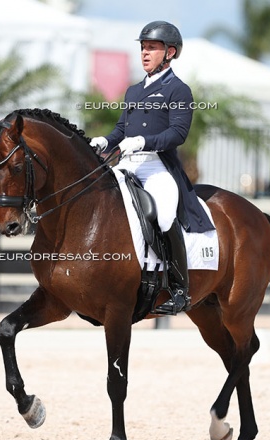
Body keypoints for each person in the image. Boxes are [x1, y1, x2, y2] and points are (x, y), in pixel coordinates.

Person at [90, 20, 214, 315]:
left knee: (166, 212)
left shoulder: (178, 90)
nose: (145, 53)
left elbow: (177, 133)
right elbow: (121, 130)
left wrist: (144, 141)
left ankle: (180, 289)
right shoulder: (133, 90)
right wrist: (103, 142)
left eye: (152, 48)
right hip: (127, 164)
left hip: (157, 166)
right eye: (143, 47)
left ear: (170, 52)